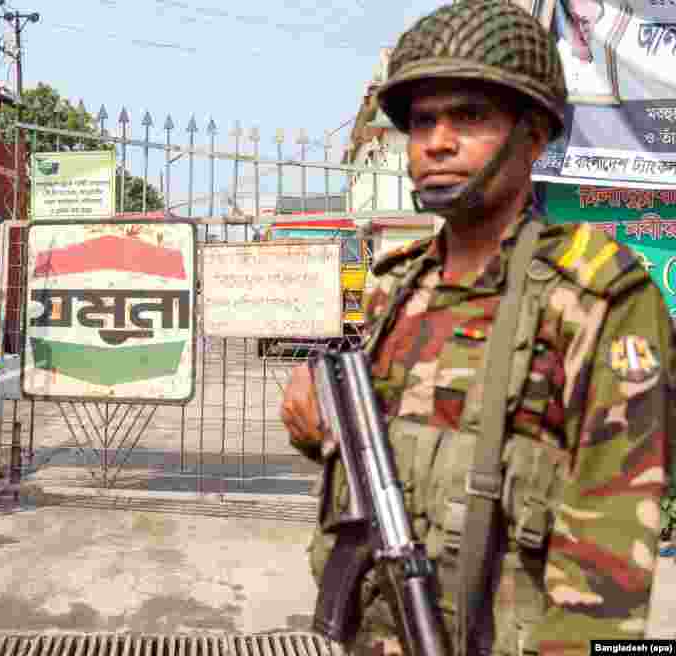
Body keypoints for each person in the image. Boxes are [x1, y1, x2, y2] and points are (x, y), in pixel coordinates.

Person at [280, 2, 672, 655]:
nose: (437, 141)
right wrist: (321, 435)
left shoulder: (601, 299)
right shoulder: (394, 290)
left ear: (535, 135)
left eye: (471, 117)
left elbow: (608, 582)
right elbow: (388, 467)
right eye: (423, 120)